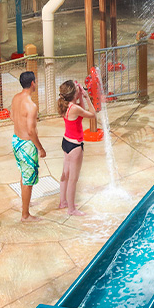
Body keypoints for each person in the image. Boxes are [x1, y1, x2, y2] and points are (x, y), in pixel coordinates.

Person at [57, 80, 95, 216]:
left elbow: (81, 110)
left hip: (66, 142)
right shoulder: (75, 108)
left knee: (65, 175)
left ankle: (63, 202)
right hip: (75, 146)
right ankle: (71, 209)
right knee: (73, 179)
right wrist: (86, 97)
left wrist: (79, 97)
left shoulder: (66, 105)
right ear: (74, 94)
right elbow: (92, 114)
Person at [11, 71, 46, 222]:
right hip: (26, 145)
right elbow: (31, 131)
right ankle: (25, 215)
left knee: (24, 175)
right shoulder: (31, 106)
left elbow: (12, 116)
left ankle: (26, 203)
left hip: (16, 141)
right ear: (32, 83)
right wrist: (40, 148)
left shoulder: (15, 98)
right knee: (28, 181)